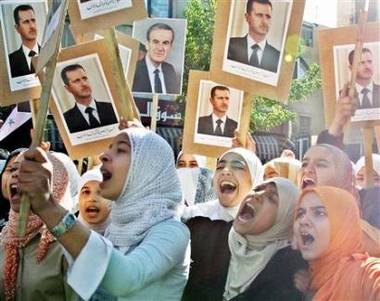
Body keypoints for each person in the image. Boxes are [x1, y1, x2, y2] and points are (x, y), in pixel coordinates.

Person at [16, 127, 190, 300]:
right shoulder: (114, 230)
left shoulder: (174, 232)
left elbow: (126, 279)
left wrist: (49, 207)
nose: (103, 156)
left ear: (148, 168)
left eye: (121, 150)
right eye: (109, 148)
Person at [182, 177, 307, 300]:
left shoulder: (289, 272)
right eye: (257, 189)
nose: (257, 195)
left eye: (272, 198)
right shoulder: (203, 233)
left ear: (284, 221)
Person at [0, 150, 78, 300]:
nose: (16, 175)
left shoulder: (68, 246)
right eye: (14, 169)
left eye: (29, 172)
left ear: (55, 183)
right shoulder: (4, 239)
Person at [294, 186, 380, 300]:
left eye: (319, 213)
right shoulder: (308, 278)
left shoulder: (365, 273)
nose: (303, 221)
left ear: (343, 225)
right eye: (300, 213)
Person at [182, 147, 263, 222]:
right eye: (220, 167)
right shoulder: (192, 216)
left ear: (255, 179)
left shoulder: (266, 226)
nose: (225, 171)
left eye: (237, 166)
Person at [61, 64, 118, 133]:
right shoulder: (64, 120)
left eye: (85, 78)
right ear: (68, 88)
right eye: (77, 81)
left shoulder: (112, 108)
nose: (84, 84)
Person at [227, 0, 280, 73]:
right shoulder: (229, 45)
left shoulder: (278, 58)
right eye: (259, 15)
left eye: (268, 16)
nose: (265, 21)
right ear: (247, 17)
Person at [132, 22, 180, 94]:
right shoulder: (133, 70)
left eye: (165, 43)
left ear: (170, 47)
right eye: (155, 42)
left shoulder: (170, 70)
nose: (160, 48)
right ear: (147, 44)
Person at [77, 168, 112, 235]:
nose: (92, 199)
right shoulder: (65, 236)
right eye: (86, 192)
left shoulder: (126, 240)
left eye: (101, 192)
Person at [8, 4, 40, 78]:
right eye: (26, 22)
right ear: (17, 28)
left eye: (33, 20)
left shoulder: (50, 55)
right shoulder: (10, 61)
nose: (32, 26)